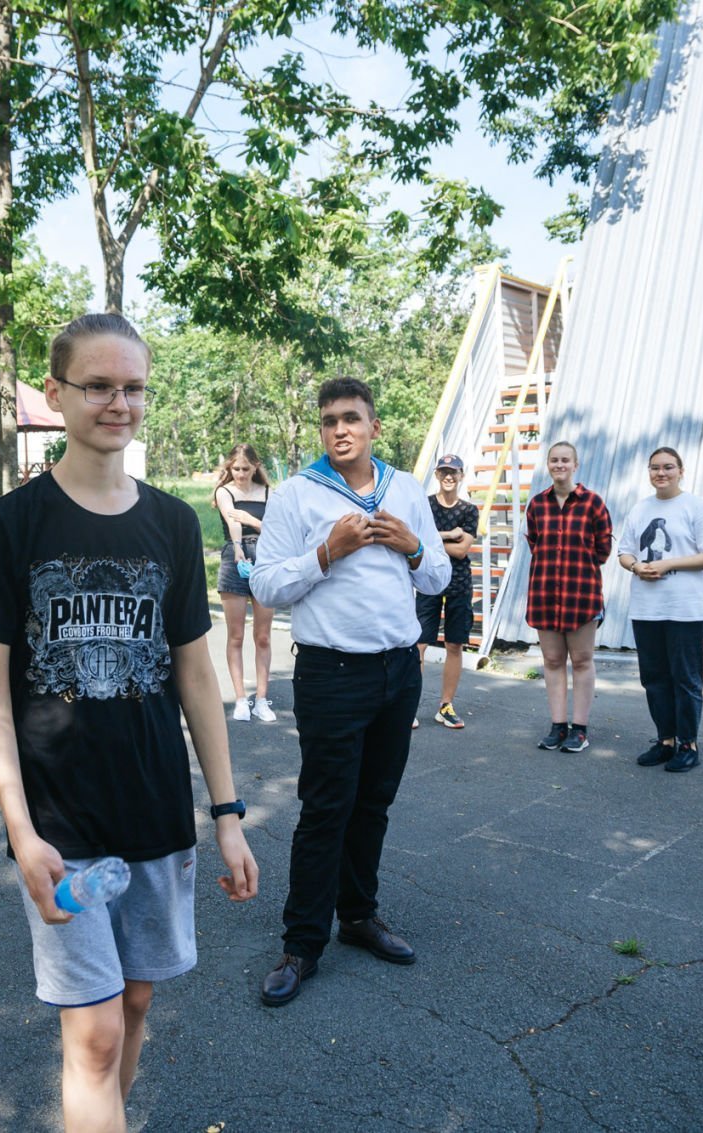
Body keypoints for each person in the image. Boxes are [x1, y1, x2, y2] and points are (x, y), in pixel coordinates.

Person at [0, 313, 257, 1133]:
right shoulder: (10, 524)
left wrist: (227, 814)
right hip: (59, 821)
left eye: (134, 387)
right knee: (96, 1033)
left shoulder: (174, 523)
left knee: (137, 1001)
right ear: (56, 393)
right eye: (99, 386)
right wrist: (19, 829)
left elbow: (196, 675)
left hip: (155, 809)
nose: (120, 403)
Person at [250, 377, 450, 1007]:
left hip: (398, 672)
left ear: (374, 427)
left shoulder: (406, 489)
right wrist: (325, 552)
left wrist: (413, 547)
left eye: (352, 418)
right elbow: (265, 585)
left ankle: (359, 916)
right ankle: (302, 944)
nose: (340, 429)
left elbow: (438, 576)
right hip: (331, 674)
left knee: (374, 803)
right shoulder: (297, 494)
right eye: (330, 420)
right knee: (325, 809)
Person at [615, 447, 703, 773]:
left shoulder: (697, 508)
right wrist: (636, 567)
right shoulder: (640, 509)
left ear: (681, 471)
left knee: (686, 679)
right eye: (655, 468)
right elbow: (624, 552)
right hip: (646, 609)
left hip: (685, 611)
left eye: (668, 467)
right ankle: (665, 741)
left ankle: (688, 745)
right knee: (654, 678)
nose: (661, 473)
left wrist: (667, 564)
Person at [525, 441, 613, 753]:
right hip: (545, 592)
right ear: (548, 465)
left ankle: (580, 729)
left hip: (581, 593)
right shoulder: (537, 505)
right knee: (551, 660)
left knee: (582, 660)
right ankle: (558, 726)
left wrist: (577, 567)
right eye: (554, 460)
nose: (559, 465)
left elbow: (603, 549)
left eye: (565, 460)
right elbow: (535, 543)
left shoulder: (593, 503)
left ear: (575, 465)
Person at [212, 443, 275, 723]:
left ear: (255, 467)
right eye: (235, 468)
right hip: (235, 558)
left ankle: (261, 699)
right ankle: (241, 699)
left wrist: (253, 520)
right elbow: (232, 520)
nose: (240, 474)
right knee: (235, 635)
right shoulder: (224, 491)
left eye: (245, 469)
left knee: (263, 636)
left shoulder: (269, 493)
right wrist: (238, 547)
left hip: (265, 557)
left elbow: (277, 529)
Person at [414, 453, 478, 730]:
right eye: (443, 472)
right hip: (428, 580)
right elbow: (414, 538)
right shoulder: (425, 505)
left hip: (459, 584)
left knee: (454, 645)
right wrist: (449, 534)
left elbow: (462, 550)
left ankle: (446, 706)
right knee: (419, 644)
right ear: (437, 475)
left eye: (454, 472)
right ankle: (409, 706)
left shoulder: (469, 510)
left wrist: (432, 540)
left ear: (461, 475)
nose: (448, 476)